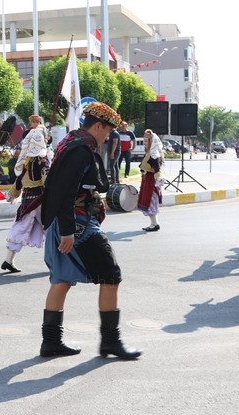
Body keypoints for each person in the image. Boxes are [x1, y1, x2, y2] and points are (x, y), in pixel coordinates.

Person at [39, 101, 141, 360]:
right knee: (110, 275)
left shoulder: (72, 142)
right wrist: (68, 231)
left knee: (62, 278)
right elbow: (66, 191)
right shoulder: (81, 150)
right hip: (77, 223)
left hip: (67, 223)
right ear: (98, 125)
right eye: (107, 131)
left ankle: (51, 342)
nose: (108, 136)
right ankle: (110, 342)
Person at [1, 128, 50, 273]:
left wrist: (12, 194)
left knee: (20, 227)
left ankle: (8, 260)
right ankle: (56, 263)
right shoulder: (42, 159)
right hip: (40, 200)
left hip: (27, 200)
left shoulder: (26, 160)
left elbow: (19, 180)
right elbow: (46, 180)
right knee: (51, 229)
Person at [137, 129, 165, 232]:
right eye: (144, 141)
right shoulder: (151, 153)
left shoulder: (153, 155)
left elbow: (157, 169)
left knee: (151, 202)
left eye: (146, 141)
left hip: (151, 182)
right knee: (151, 203)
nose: (144, 143)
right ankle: (155, 223)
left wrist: (158, 179)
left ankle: (154, 224)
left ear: (151, 142)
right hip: (148, 180)